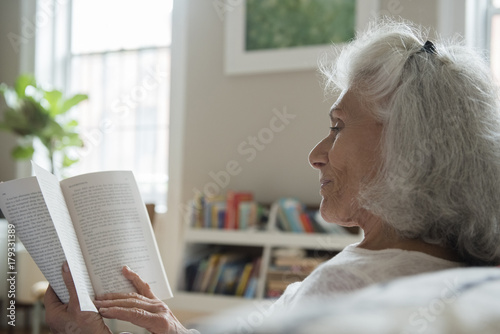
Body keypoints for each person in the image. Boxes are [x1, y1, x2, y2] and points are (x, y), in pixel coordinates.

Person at [44, 19, 500, 333]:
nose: (315, 155)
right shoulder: (455, 269)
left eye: (338, 127)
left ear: (404, 144)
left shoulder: (344, 290)